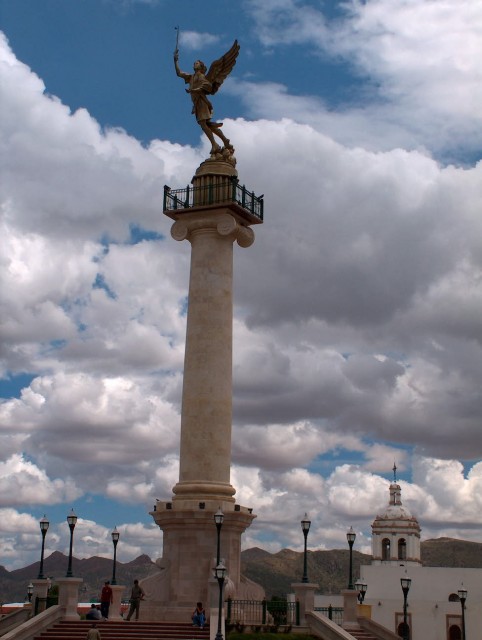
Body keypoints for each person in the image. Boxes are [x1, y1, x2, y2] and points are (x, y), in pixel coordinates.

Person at [173, 41, 239, 155]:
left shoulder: (203, 77)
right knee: (207, 125)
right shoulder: (191, 77)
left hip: (203, 102)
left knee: (204, 124)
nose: (194, 64)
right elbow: (179, 73)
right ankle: (224, 140)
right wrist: (175, 61)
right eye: (194, 63)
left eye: (197, 63)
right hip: (197, 103)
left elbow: (206, 87)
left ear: (201, 66)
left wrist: (193, 90)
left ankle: (215, 144)